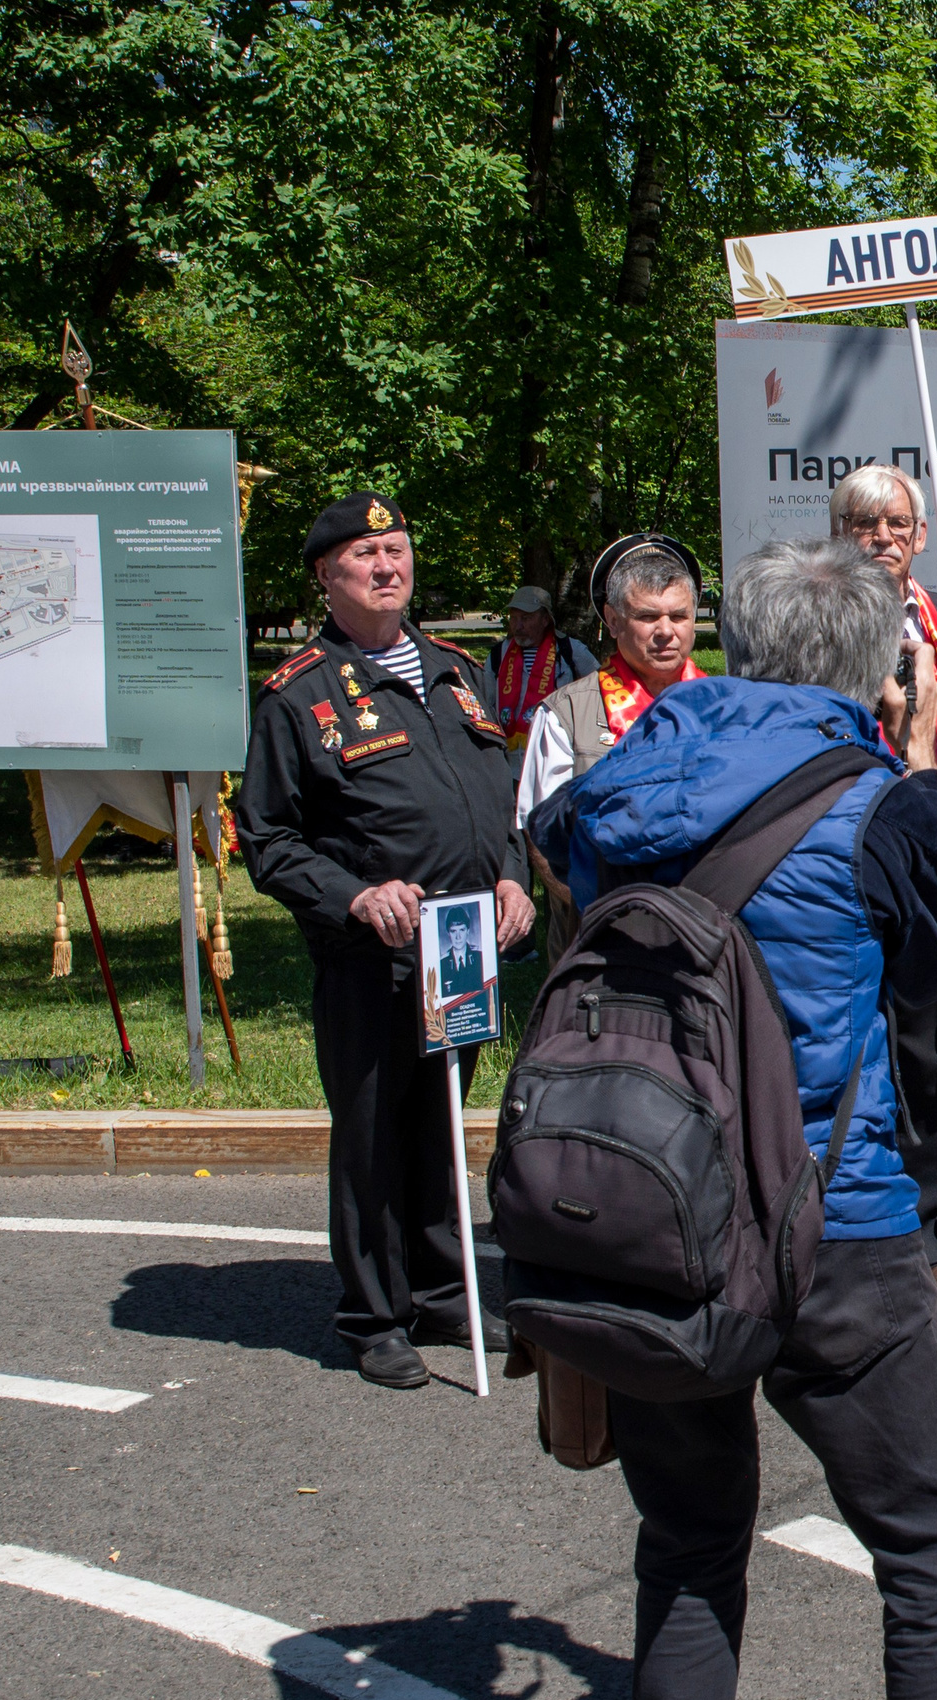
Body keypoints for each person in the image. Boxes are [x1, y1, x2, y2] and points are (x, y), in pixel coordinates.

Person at [539, 534, 937, 1700]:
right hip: (831, 1217)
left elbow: (557, 856)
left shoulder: (628, 771)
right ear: (870, 664)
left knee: (688, 1545)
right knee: (929, 1547)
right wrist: (911, 772)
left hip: (654, 1204)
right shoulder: (877, 801)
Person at [239, 492, 534, 1389]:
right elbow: (270, 838)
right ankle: (374, 1313)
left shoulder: (456, 670)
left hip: (460, 946)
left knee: (442, 1122)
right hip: (373, 957)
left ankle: (444, 1290)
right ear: (327, 578)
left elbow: (500, 794)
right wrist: (355, 894)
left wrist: (515, 871)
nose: (385, 565)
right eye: (363, 555)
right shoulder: (300, 695)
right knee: (373, 1132)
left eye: (395, 548)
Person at [832, 463, 937, 1309]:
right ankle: (853, 1238)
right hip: (843, 867)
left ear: (923, 537)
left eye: (898, 525)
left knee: (930, 1063)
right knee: (850, 1058)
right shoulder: (814, 622)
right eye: (865, 525)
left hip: (929, 867)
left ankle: (933, 1239)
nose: (884, 538)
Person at [513, 534, 708, 955]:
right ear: (613, 619)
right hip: (600, 937)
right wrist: (600, 911)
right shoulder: (565, 712)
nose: (666, 632)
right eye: (647, 616)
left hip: (704, 931)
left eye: (679, 616)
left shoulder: (725, 706)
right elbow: (539, 835)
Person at [490, 584, 599, 761]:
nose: (518, 626)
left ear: (545, 619)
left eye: (525, 618)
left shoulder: (570, 650)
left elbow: (601, 688)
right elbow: (485, 702)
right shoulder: (499, 654)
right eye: (514, 618)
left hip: (556, 755)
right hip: (508, 759)